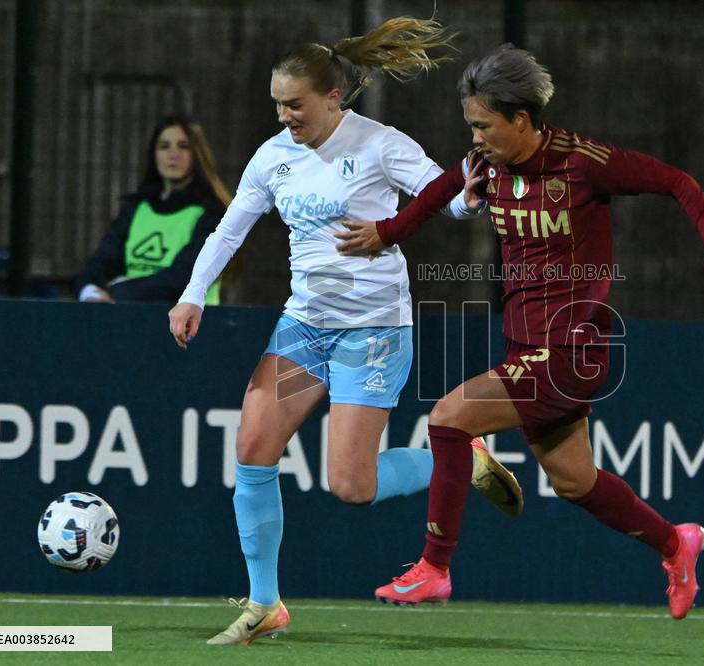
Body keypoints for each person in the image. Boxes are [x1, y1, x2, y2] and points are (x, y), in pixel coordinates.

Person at [335, 44, 704, 618]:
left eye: (484, 125)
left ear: (521, 120)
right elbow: (440, 191)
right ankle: (675, 544)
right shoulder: (488, 165)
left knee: (448, 417)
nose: (475, 138)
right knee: (574, 482)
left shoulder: (584, 163)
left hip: (572, 349)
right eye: (470, 125)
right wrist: (385, 233)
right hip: (526, 346)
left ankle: (435, 569)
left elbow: (678, 182)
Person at [166, 18, 524, 646]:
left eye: (295, 105)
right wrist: (193, 294)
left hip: (373, 332)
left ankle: (459, 457)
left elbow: (446, 195)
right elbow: (229, 230)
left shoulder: (380, 144)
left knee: (351, 487)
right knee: (253, 446)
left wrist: (470, 199)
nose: (284, 116)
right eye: (277, 104)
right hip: (304, 327)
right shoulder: (274, 155)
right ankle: (265, 603)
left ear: (333, 97)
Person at [75, 116, 231, 304]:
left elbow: (182, 278)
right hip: (136, 320)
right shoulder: (136, 209)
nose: (173, 154)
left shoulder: (214, 215)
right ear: (154, 154)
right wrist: (89, 289)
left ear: (197, 154)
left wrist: (116, 291)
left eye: (183, 146)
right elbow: (101, 261)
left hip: (192, 327)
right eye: (164, 146)